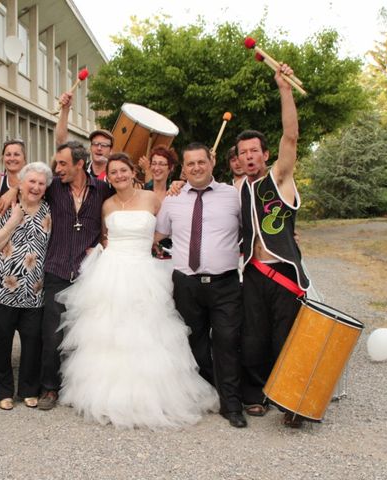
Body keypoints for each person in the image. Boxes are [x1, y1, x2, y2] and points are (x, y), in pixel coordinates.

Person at [57, 153, 218, 428]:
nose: (119, 175)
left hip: (144, 270)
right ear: (109, 176)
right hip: (110, 271)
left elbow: (171, 226)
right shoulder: (106, 204)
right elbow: (104, 238)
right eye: (114, 172)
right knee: (109, 333)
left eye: (123, 170)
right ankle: (107, 395)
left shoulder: (153, 199)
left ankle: (149, 396)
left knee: (145, 333)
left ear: (133, 172)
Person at [236, 64, 309, 428]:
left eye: (255, 151)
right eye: (243, 153)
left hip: (283, 273)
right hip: (252, 272)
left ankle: (293, 400)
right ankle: (257, 393)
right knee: (253, 337)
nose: (249, 157)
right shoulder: (238, 188)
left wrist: (284, 89)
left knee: (286, 338)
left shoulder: (279, 179)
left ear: (265, 155)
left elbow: (291, 137)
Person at [155, 142, 247, 428]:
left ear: (211, 162)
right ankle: (208, 391)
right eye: (190, 163)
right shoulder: (173, 198)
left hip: (225, 283)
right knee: (194, 343)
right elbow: (158, 233)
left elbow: (251, 229)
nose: (196, 167)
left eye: (201, 162)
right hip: (186, 284)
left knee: (227, 342)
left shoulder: (233, 196)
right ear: (183, 168)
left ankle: (231, 405)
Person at [37, 141, 112, 410]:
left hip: (88, 273)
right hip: (56, 268)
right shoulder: (53, 187)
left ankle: (81, 389)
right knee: (52, 334)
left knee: (86, 335)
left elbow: (121, 212)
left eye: (63, 164)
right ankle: (49, 389)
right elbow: (27, 192)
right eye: (57, 163)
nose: (57, 168)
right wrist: (11, 194)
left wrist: (104, 246)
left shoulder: (103, 189)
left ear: (80, 164)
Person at [0, 162, 52, 410]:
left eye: (41, 183)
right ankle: (3, 392)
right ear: (20, 183)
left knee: (33, 342)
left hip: (34, 292)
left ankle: (29, 389)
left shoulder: (49, 211)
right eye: (31, 181)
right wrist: (14, 221)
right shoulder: (5, 207)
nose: (36, 187)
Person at [55, 91, 113, 180]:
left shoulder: (116, 175)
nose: (99, 148)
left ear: (111, 150)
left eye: (104, 145)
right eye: (95, 144)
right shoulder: (80, 169)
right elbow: (61, 142)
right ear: (90, 147)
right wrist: (65, 109)